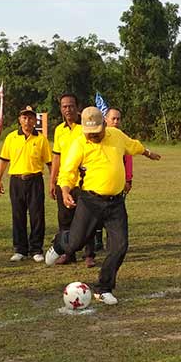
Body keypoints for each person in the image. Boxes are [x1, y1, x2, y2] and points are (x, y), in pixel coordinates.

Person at [45, 107, 161, 305]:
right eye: (89, 133)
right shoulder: (79, 143)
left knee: (120, 246)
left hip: (115, 203)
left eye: (96, 133)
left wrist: (148, 153)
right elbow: (68, 172)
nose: (92, 137)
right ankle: (58, 242)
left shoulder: (116, 135)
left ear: (104, 126)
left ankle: (103, 287)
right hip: (90, 201)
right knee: (75, 244)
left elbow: (133, 146)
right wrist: (64, 191)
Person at [0, 106, 52, 262]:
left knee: (37, 216)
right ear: (19, 120)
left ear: (35, 120)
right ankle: (20, 249)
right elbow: (4, 160)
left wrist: (53, 182)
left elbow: (49, 162)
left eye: (30, 118)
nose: (27, 121)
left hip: (35, 180)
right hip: (16, 181)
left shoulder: (41, 139)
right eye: (24, 118)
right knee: (18, 215)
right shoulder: (11, 138)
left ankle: (36, 249)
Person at [49, 93, 96, 267]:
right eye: (64, 106)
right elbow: (56, 157)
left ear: (77, 107)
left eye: (70, 106)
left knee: (87, 219)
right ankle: (69, 253)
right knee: (65, 219)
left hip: (85, 181)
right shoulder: (59, 130)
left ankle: (89, 254)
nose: (67, 109)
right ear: (60, 109)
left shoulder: (86, 126)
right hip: (65, 183)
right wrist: (53, 181)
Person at [94, 107, 133, 251]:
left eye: (118, 119)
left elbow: (128, 159)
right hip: (99, 183)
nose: (116, 121)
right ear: (106, 119)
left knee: (115, 216)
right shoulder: (98, 135)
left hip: (118, 184)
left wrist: (128, 179)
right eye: (113, 119)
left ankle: (112, 243)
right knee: (96, 214)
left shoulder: (122, 137)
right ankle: (97, 241)